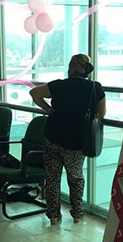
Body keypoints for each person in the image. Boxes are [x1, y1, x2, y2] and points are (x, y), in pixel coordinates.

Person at [30, 54, 106, 226]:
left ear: (70, 68)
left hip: (52, 136)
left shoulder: (58, 85)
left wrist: (48, 109)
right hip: (76, 141)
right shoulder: (95, 87)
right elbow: (101, 114)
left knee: (52, 178)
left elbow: (34, 93)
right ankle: (77, 213)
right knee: (75, 177)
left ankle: (54, 215)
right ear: (87, 70)